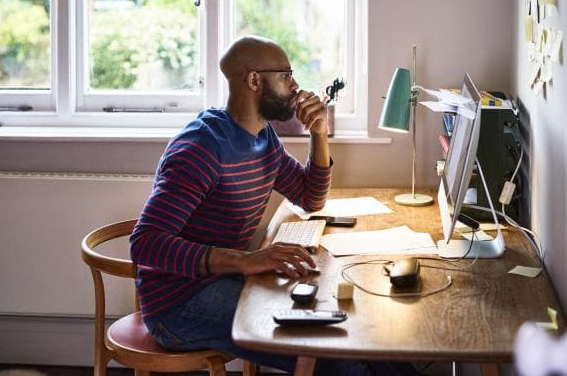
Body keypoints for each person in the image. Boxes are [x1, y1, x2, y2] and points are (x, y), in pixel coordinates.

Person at [130, 36, 419, 376]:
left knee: (364, 332)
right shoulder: (201, 149)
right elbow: (144, 244)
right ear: (253, 80)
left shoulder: (263, 138)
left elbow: (310, 198)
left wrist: (319, 133)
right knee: (336, 356)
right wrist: (246, 260)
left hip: (226, 281)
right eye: (285, 75)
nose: (295, 85)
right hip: (179, 305)